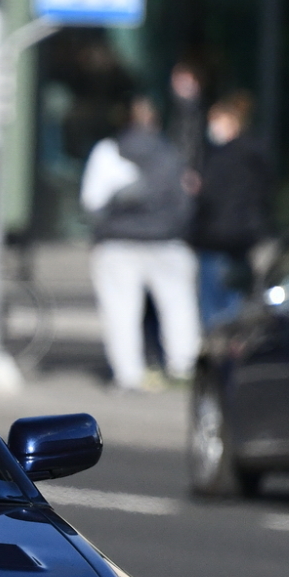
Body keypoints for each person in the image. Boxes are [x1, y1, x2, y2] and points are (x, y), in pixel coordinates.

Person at [81, 96, 199, 392]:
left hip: (117, 244)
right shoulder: (171, 153)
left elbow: (91, 201)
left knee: (121, 312)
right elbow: (184, 203)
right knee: (178, 307)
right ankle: (183, 368)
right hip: (166, 242)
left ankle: (128, 374)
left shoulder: (109, 151)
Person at [190, 91, 271, 329]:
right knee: (236, 303)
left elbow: (211, 195)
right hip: (242, 239)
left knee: (213, 308)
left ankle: (218, 357)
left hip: (217, 237)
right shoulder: (255, 153)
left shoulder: (224, 156)